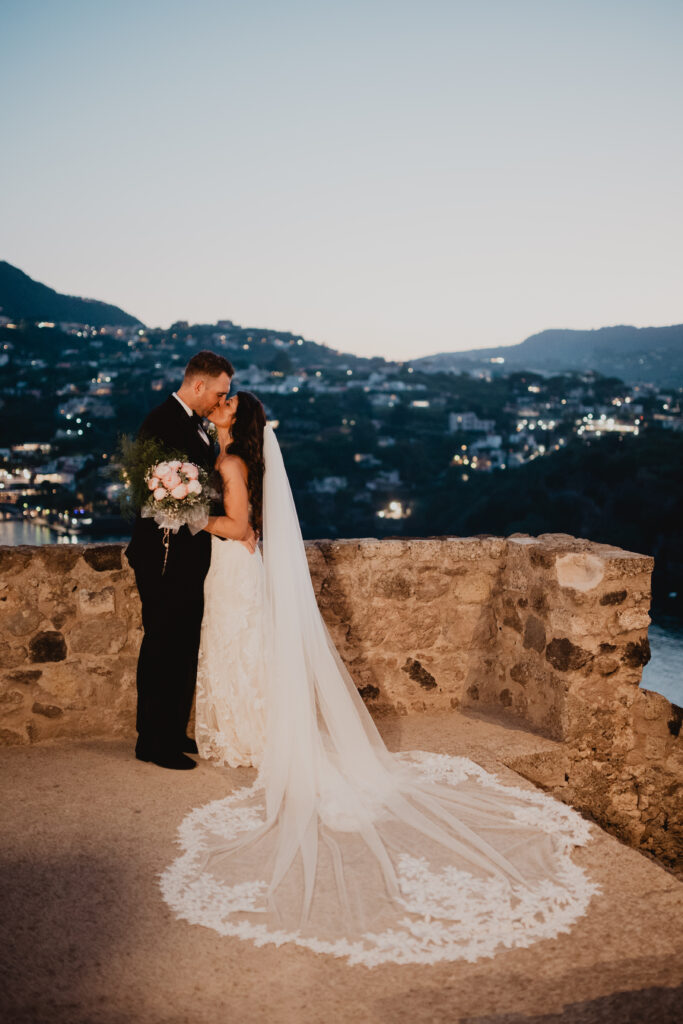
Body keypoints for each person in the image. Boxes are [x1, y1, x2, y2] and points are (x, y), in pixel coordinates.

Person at [160, 393, 602, 967]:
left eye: (226, 404)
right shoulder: (226, 456)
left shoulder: (230, 464)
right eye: (219, 398)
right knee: (240, 650)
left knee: (242, 648)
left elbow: (239, 523)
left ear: (236, 422)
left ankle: (256, 734)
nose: (218, 404)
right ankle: (252, 730)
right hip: (235, 567)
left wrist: (191, 515)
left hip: (233, 565)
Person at [125, 351, 257, 771]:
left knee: (183, 644)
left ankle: (171, 731)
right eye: (220, 391)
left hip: (189, 555)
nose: (223, 399)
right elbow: (154, 498)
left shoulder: (195, 425)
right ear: (198, 385)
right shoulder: (161, 422)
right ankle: (152, 741)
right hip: (162, 555)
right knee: (163, 642)